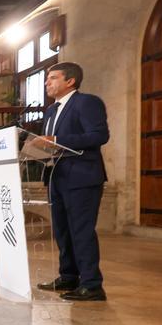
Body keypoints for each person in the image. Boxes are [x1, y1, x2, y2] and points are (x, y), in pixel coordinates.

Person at [35, 62, 109, 301]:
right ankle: (68, 276)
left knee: (81, 231)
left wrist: (56, 139)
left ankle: (92, 284)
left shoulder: (87, 102)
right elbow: (50, 143)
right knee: (62, 231)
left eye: (53, 78)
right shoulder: (50, 111)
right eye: (47, 79)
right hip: (57, 175)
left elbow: (99, 135)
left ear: (70, 81)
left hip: (82, 176)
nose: (47, 82)